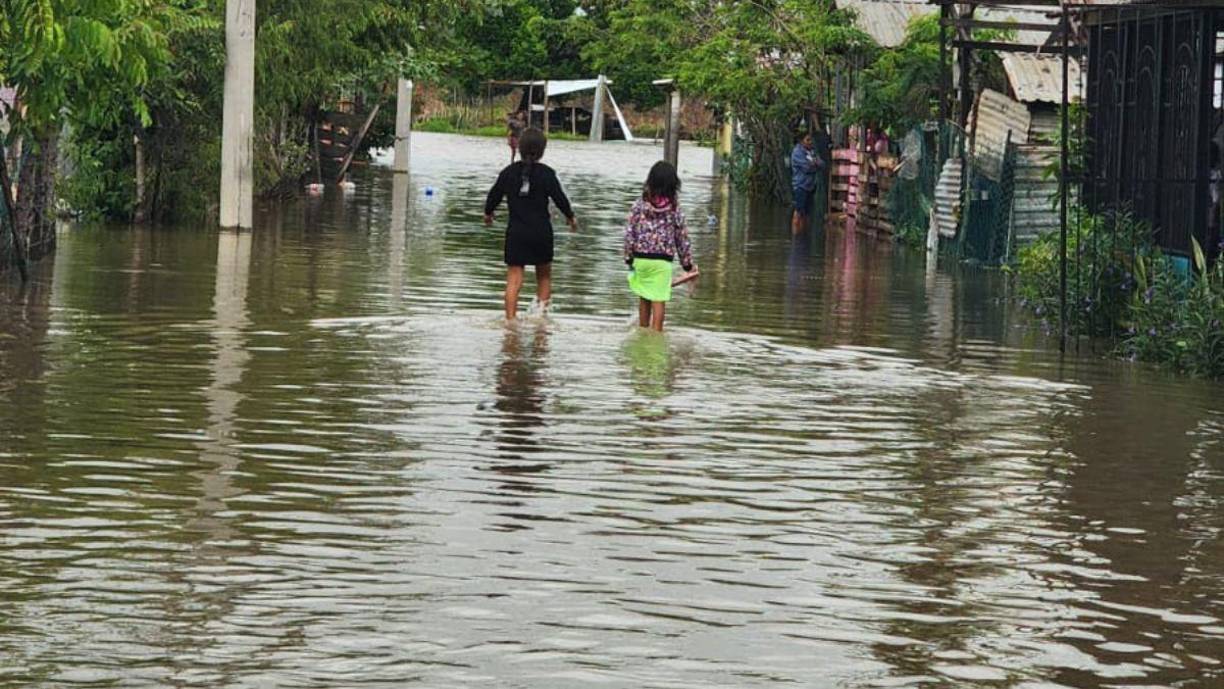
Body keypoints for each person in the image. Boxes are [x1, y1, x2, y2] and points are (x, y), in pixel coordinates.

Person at [484, 128, 577, 320]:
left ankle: (510, 322)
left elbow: (494, 195)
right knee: (544, 277)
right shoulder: (547, 174)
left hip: (516, 233)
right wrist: (570, 217)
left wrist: (488, 213)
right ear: (542, 151)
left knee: (514, 280)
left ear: (519, 148)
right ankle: (541, 321)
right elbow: (560, 198)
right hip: (541, 232)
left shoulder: (509, 173)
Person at [623, 161, 696, 332]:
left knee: (644, 296)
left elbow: (629, 233)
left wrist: (628, 257)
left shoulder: (639, 205)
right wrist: (687, 264)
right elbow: (682, 237)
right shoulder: (675, 209)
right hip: (662, 261)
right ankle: (656, 332)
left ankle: (643, 329)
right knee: (659, 298)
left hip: (641, 258)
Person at [790, 133, 824, 233]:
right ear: (801, 141)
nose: (810, 142)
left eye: (811, 140)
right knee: (799, 211)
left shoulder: (811, 152)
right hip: (800, 185)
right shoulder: (797, 152)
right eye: (807, 140)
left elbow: (822, 164)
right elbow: (807, 167)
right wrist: (815, 164)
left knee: (807, 213)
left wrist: (815, 163)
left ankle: (804, 233)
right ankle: (796, 234)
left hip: (810, 185)